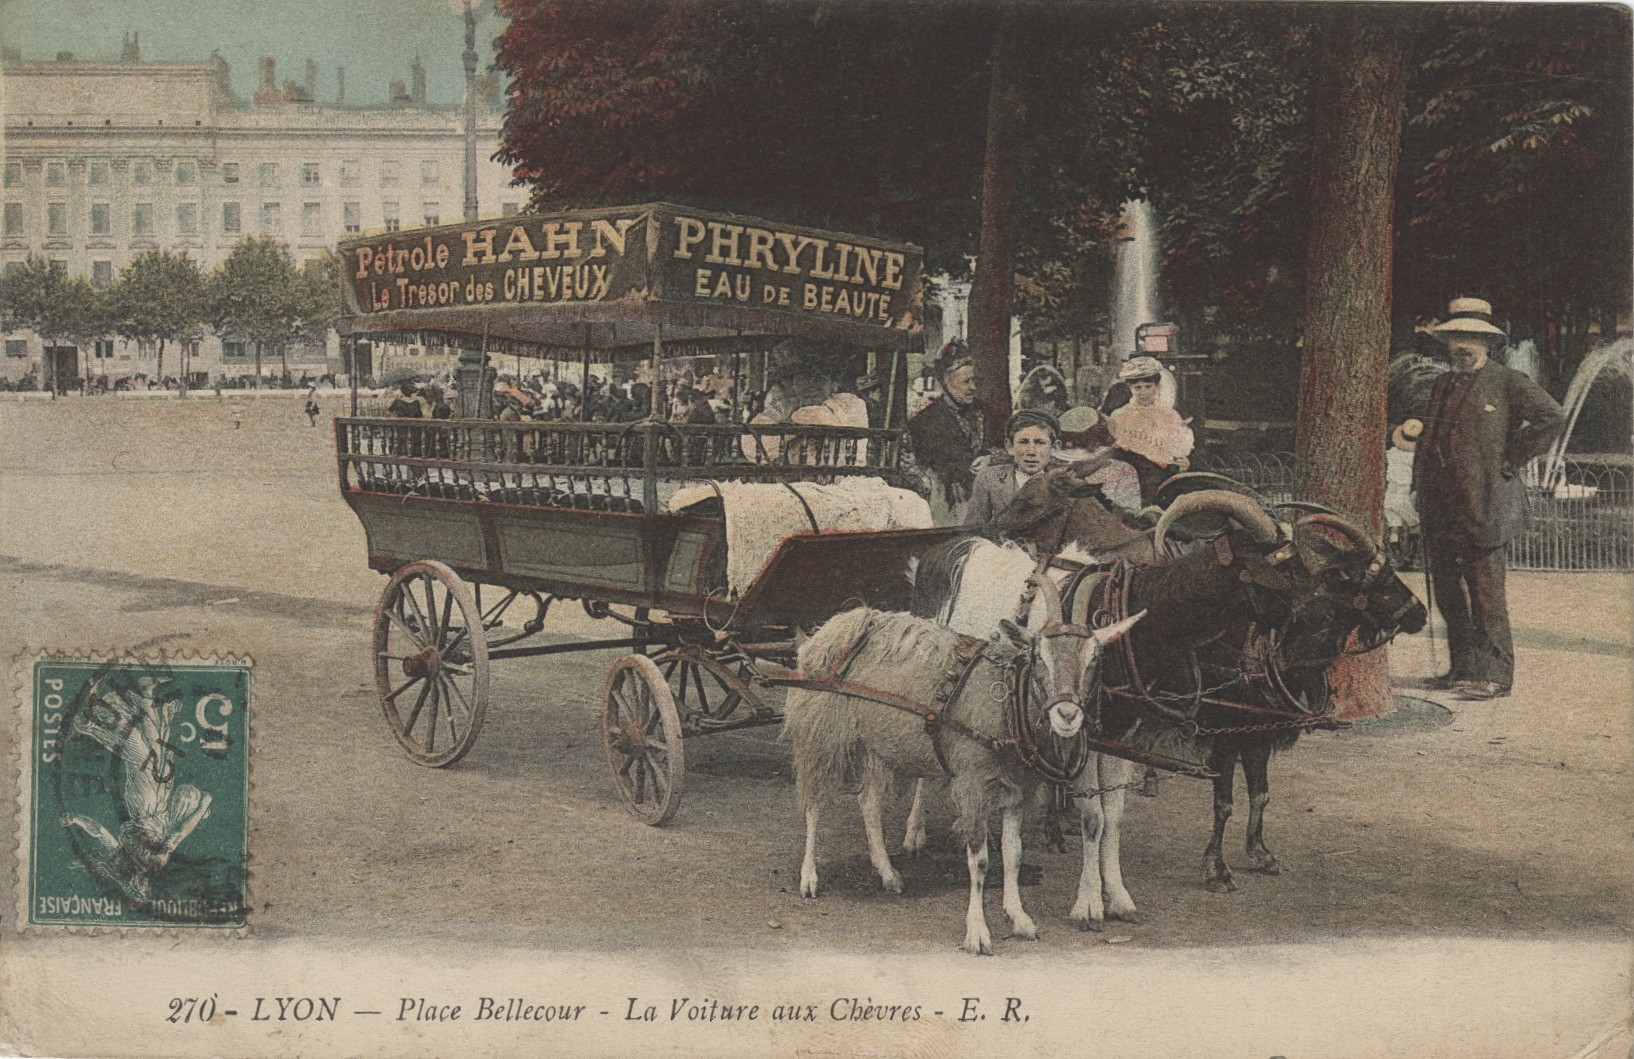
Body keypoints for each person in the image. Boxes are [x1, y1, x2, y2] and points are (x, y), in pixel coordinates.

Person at [1414, 297, 1563, 700]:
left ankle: (1497, 676)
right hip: (1440, 505)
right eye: (1456, 337)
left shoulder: (1508, 381)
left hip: (1486, 504)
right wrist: (1417, 486)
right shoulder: (1443, 383)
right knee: (1447, 590)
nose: (1463, 345)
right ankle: (1462, 669)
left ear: (1487, 340)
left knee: (1486, 595)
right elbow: (1429, 438)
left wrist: (1512, 458)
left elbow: (1553, 417)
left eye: (1471, 337)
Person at [907, 349, 984, 524]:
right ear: (947, 383)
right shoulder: (926, 420)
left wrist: (988, 458)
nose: (973, 387)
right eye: (966, 382)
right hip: (946, 500)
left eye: (974, 381)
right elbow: (939, 463)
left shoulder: (979, 411)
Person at [1107, 355, 1193, 504]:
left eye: (1148, 386)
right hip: (1131, 469)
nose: (1143, 392)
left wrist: (1181, 459)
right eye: (1137, 388)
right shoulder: (1122, 414)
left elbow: (1175, 445)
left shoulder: (1169, 415)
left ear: (1157, 386)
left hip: (1160, 470)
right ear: (1131, 389)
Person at [964, 410, 1057, 531]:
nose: (1031, 451)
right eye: (1023, 442)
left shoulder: (1063, 483)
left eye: (1040, 442)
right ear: (1010, 446)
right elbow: (971, 531)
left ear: (1054, 448)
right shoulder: (990, 479)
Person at [1384, 418, 1422, 568]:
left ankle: (1396, 553)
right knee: (1415, 524)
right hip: (1405, 493)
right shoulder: (1415, 458)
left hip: (1391, 493)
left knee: (1394, 524)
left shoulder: (1390, 453)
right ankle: (1413, 557)